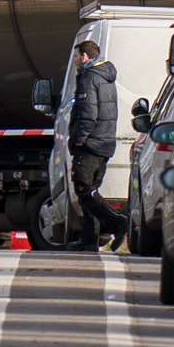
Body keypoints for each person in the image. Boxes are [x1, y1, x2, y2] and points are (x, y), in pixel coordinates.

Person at [68, 40, 128, 250]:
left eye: (76, 57)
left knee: (83, 190)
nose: (75, 61)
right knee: (91, 190)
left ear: (85, 56)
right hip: (105, 141)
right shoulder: (105, 77)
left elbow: (88, 114)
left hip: (91, 144)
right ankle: (88, 240)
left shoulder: (89, 77)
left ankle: (118, 223)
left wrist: (77, 139)